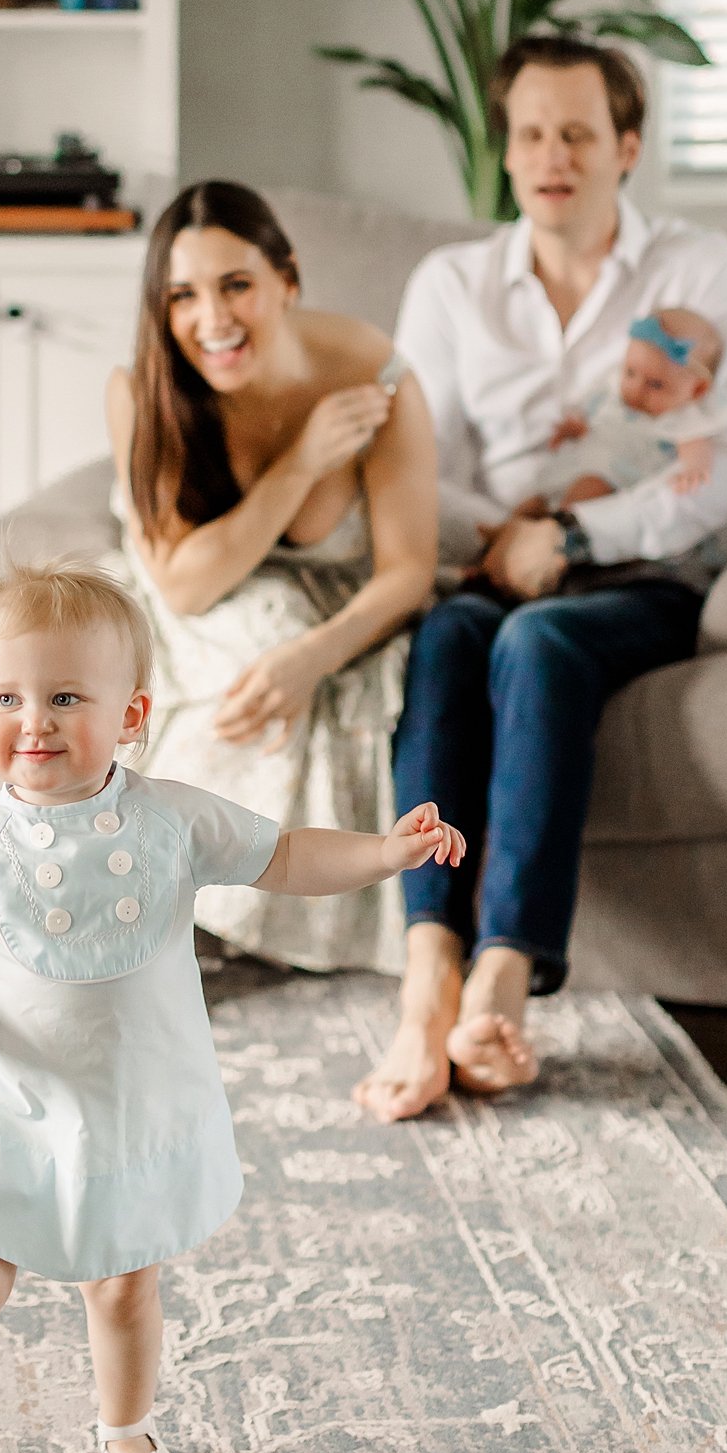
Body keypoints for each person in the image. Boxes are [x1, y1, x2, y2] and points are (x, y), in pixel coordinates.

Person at [0, 561, 461, 1453]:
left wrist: (385, 852)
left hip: (129, 1105)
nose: (35, 720)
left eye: (66, 696)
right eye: (7, 697)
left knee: (122, 1290)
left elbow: (284, 856)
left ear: (131, 714)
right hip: (3, 1107)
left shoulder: (175, 820)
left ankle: (127, 1429)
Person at [352, 36, 727, 1124]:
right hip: (489, 561)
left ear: (626, 147)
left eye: (579, 132)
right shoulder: (451, 284)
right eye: (531, 133)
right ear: (506, 152)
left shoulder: (698, 269)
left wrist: (573, 537)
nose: (553, 155)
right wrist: (509, 536)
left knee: (536, 642)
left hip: (645, 571)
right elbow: (410, 465)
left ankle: (505, 973)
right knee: (451, 639)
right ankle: (428, 972)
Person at [104, 180, 438, 974]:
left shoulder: (374, 373)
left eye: (237, 286)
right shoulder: (142, 389)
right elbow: (183, 585)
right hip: (186, 595)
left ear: (287, 279)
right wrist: (301, 465)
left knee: (285, 648)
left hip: (331, 608)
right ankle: (129, 896)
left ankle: (220, 923)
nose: (212, 320)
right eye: (182, 296)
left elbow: (410, 570)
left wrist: (311, 661)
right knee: (251, 641)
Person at [518, 306, 727, 514]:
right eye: (630, 372)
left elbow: (695, 444)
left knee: (589, 487)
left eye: (655, 385)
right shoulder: (611, 395)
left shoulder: (679, 417)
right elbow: (594, 423)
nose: (637, 389)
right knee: (537, 497)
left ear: (697, 390)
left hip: (615, 477)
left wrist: (694, 469)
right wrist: (576, 429)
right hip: (579, 463)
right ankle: (506, 531)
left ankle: (552, 531)